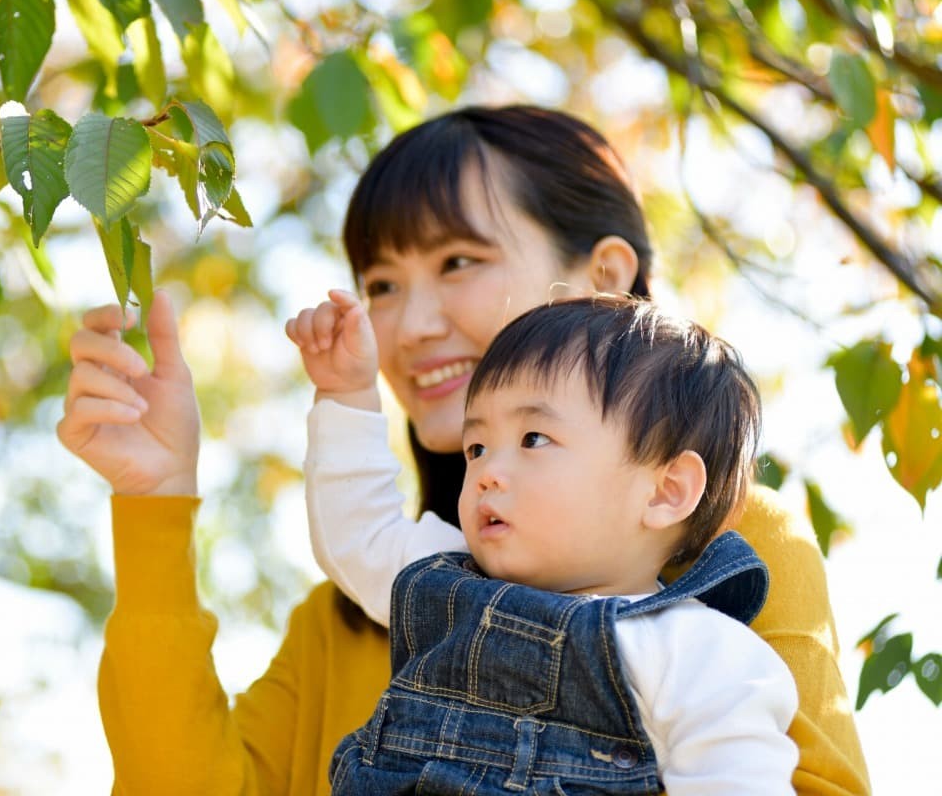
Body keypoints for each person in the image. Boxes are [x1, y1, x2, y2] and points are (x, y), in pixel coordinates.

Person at [56, 105, 870, 795]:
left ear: (604, 277)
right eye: (380, 283)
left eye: (458, 262)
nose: (408, 327)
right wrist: (155, 500)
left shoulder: (732, 551)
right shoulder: (359, 604)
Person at [288, 293, 797, 794]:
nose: (486, 472)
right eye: (477, 447)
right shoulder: (447, 586)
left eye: (534, 438)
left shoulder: (697, 650)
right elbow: (360, 534)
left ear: (665, 491)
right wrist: (346, 393)